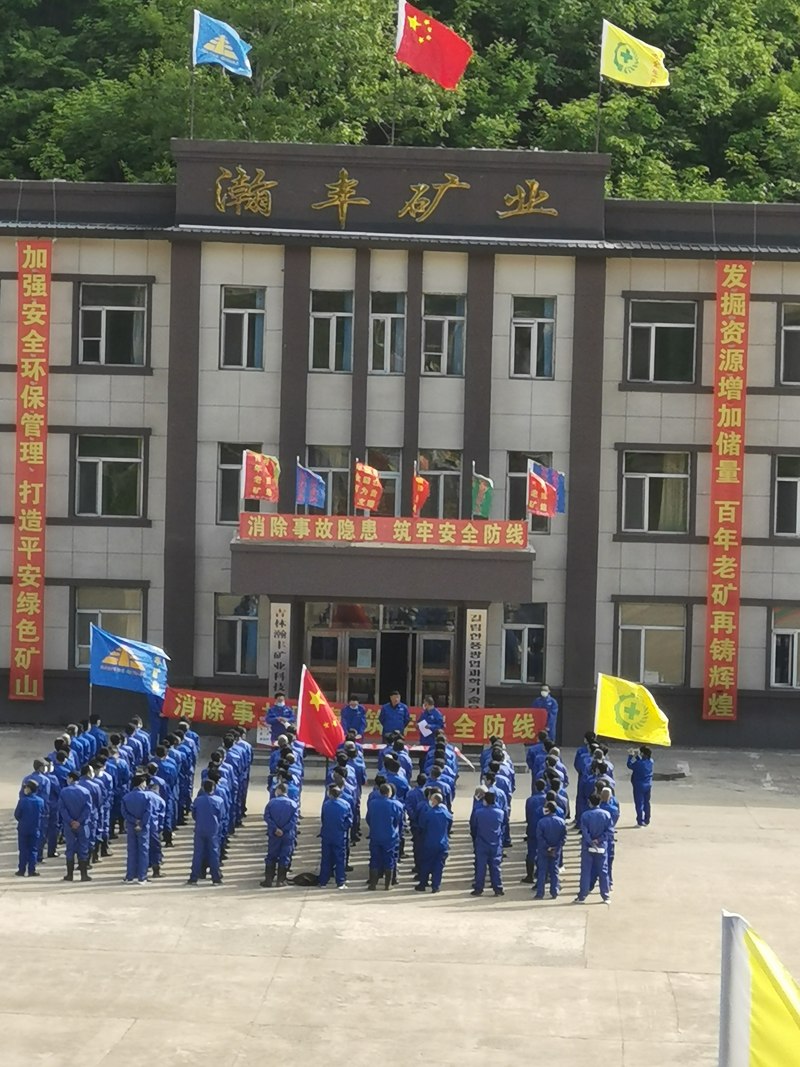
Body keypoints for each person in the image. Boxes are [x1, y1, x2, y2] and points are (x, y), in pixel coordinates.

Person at [575, 793, 612, 904]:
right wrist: (599, 840)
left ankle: (582, 896)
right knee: (603, 872)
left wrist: (591, 841)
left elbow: (584, 831)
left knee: (586, 872)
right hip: (601, 847)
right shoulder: (606, 814)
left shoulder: (585, 815)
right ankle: (605, 896)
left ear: (589, 802)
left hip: (588, 847)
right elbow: (609, 831)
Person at [366, 783, 403, 890]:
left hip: (375, 835)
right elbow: (399, 821)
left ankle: (373, 884)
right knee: (389, 859)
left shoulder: (373, 803)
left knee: (374, 859)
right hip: (390, 836)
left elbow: (369, 818)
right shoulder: (396, 805)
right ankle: (388, 884)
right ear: (389, 793)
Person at [188, 779, 225, 885]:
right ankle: (215, 878)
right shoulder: (219, 800)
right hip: (213, 830)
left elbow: (194, 814)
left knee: (198, 853)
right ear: (213, 788)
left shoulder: (198, 800)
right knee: (214, 853)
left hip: (200, 829)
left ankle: (194, 877)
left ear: (203, 788)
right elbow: (222, 815)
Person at [262, 782, 299, 888]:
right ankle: (281, 880)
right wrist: (284, 829)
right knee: (285, 856)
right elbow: (294, 820)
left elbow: (267, 817)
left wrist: (275, 828)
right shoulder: (293, 804)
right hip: (287, 834)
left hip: (274, 834)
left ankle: (268, 880)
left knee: (271, 855)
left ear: (279, 790)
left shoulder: (271, 803)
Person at [58, 771, 93, 882]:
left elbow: (62, 809)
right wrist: (79, 821)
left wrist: (70, 821)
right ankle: (84, 875)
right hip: (82, 825)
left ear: (71, 778)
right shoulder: (85, 791)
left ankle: (70, 875)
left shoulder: (64, 791)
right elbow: (88, 809)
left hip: (69, 825)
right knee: (83, 848)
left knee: (70, 848)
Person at [415, 791, 453, 893]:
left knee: (426, 864)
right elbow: (449, 825)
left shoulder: (428, 814)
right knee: (438, 866)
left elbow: (422, 826)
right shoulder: (446, 813)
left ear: (435, 801)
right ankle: (435, 886)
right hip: (442, 843)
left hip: (429, 842)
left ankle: (422, 884)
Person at [470, 790, 505, 897]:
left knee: (481, 867)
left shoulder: (478, 812)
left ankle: (479, 888)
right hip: (496, 843)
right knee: (495, 867)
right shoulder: (500, 813)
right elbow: (503, 826)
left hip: (481, 842)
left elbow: (474, 827)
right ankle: (498, 888)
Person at [319, 785, 352, 889]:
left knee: (325, 858)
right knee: (340, 859)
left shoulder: (326, 805)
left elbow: (323, 818)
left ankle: (323, 881)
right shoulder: (345, 805)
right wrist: (343, 828)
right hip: (339, 835)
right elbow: (349, 821)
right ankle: (340, 881)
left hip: (327, 834)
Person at [121, 775, 152, 885]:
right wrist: (141, 823)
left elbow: (124, 813)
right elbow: (148, 812)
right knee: (143, 851)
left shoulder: (126, 797)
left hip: (131, 826)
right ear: (141, 783)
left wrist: (134, 821)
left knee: (131, 851)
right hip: (143, 827)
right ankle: (142, 877)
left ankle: (130, 876)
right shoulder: (146, 796)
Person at [534, 801, 567, 899]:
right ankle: (554, 892)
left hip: (543, 850)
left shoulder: (541, 822)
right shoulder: (561, 822)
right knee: (554, 871)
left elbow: (539, 837)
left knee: (542, 871)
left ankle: (540, 893)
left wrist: (547, 847)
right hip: (556, 850)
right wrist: (557, 847)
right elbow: (563, 837)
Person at [15, 780, 44, 877]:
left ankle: (21, 870)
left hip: (23, 829)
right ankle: (32, 870)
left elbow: (17, 814)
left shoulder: (22, 801)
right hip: (35, 829)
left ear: (30, 789)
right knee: (33, 850)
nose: (25, 789)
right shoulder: (40, 801)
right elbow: (43, 813)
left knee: (23, 850)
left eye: (26, 787)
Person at [627, 745, 654, 826]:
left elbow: (629, 765)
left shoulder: (639, 763)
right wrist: (637, 756)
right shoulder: (651, 761)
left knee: (639, 804)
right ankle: (647, 820)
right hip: (648, 785)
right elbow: (640, 762)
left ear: (642, 753)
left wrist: (630, 756)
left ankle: (640, 821)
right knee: (647, 803)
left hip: (639, 785)